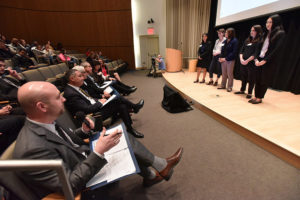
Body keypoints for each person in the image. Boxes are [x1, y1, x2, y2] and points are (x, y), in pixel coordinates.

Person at [12, 81, 183, 198]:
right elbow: (70, 186)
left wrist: (83, 131)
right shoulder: (31, 149)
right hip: (81, 181)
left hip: (82, 159)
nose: (63, 99)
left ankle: (155, 171)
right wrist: (98, 152)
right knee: (120, 141)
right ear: (41, 107)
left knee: (119, 136)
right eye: (58, 97)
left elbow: (67, 142)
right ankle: (157, 169)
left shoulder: (46, 121)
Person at [63, 69, 144, 138]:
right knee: (118, 99)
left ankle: (130, 128)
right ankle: (134, 108)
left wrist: (100, 99)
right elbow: (87, 109)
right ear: (72, 78)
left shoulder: (75, 88)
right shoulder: (70, 93)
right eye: (80, 76)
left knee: (121, 105)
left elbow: (89, 99)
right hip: (92, 116)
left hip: (95, 107)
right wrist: (100, 103)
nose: (83, 78)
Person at [249, 14, 285, 104]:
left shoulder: (280, 33)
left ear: (275, 22)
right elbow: (258, 47)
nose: (267, 24)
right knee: (257, 79)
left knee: (263, 80)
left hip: (268, 61)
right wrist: (256, 59)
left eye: (270, 22)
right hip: (260, 59)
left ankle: (259, 97)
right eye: (267, 22)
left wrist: (265, 61)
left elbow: (276, 50)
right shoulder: (265, 33)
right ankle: (256, 96)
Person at [235, 25, 263, 99]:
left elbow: (255, 53)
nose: (251, 32)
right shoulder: (247, 39)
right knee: (243, 76)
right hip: (243, 61)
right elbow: (241, 50)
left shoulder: (259, 41)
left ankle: (250, 93)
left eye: (253, 30)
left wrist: (247, 60)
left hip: (251, 63)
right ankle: (242, 90)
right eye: (251, 30)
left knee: (251, 78)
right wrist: (241, 59)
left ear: (258, 32)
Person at [218, 28, 239, 92]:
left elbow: (234, 52)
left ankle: (229, 87)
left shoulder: (235, 41)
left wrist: (226, 58)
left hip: (230, 60)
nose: (225, 34)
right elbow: (222, 50)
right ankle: (223, 85)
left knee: (230, 74)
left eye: (227, 32)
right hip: (223, 60)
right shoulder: (225, 41)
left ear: (230, 33)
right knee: (224, 73)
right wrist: (220, 57)